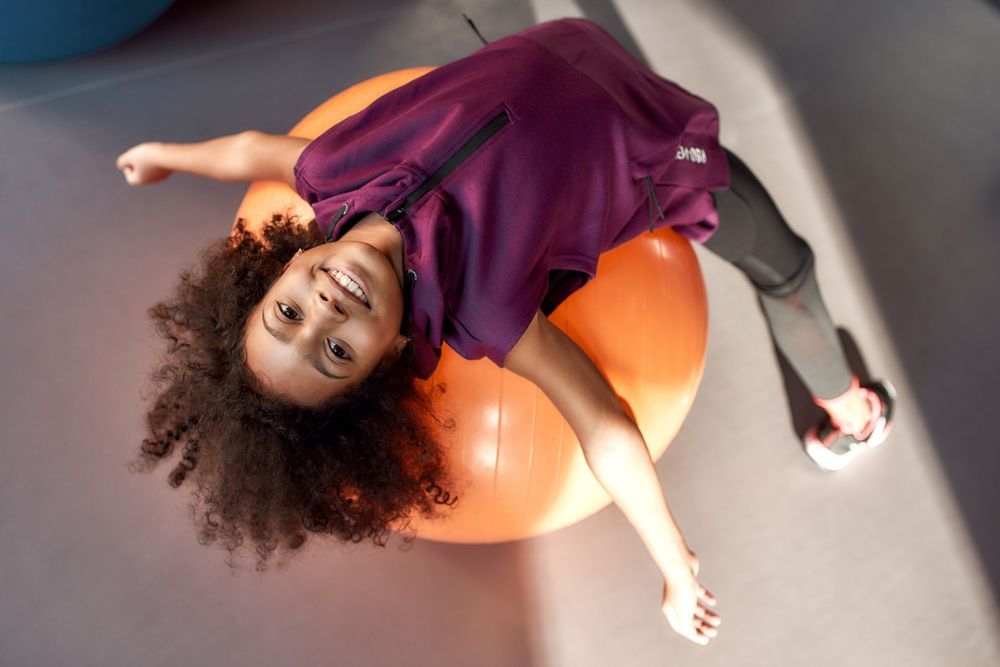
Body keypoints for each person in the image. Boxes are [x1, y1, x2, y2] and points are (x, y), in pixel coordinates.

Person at [116, 17, 895, 646]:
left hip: (558, 47)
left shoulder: (334, 174)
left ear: (271, 278)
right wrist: (675, 562)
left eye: (288, 314)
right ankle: (849, 404)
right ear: (387, 355)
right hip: (660, 150)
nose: (325, 311)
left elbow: (252, 151)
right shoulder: (487, 308)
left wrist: (163, 156)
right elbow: (605, 426)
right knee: (785, 266)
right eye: (336, 352)